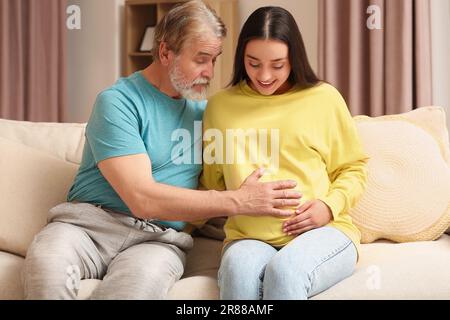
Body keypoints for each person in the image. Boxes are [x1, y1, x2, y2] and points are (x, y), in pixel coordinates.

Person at [21, 1, 301, 300]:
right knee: (46, 268)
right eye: (201, 59)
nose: (209, 72)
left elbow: (248, 166)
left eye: (214, 60)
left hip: (157, 241)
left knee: (134, 291)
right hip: (88, 228)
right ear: (166, 52)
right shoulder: (118, 103)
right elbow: (141, 198)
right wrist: (237, 201)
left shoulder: (207, 115)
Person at [201, 6, 370, 300]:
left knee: (285, 272)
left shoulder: (324, 99)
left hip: (324, 232)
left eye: (277, 65)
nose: (264, 76)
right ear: (242, 57)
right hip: (248, 237)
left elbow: (353, 168)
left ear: (295, 58)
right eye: (253, 63)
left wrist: (328, 206)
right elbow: (211, 184)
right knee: (238, 273)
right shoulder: (220, 106)